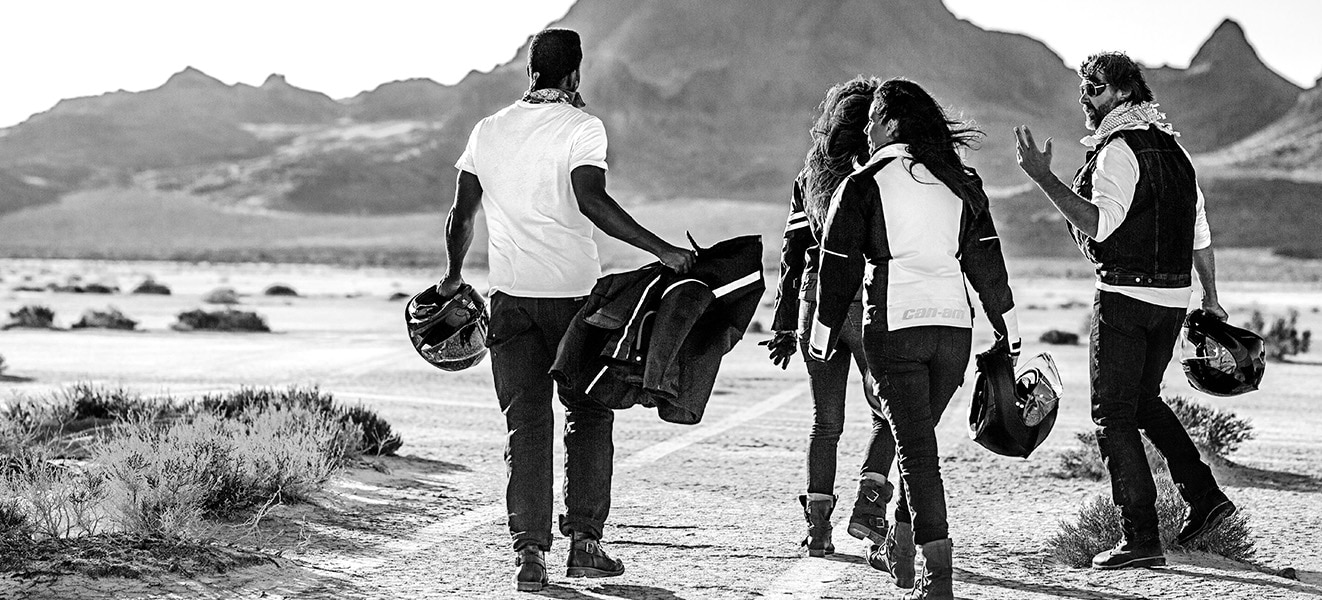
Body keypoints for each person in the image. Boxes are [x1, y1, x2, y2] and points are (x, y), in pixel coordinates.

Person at [439, 28, 696, 592]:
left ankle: (529, 555)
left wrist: (455, 277)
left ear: (529, 73)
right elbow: (592, 200)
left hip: (509, 302)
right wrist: (662, 250)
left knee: (525, 424)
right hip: (577, 305)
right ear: (575, 75)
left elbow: (461, 216)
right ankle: (585, 545)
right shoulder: (583, 127)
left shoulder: (488, 131)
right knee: (588, 416)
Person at [1014, 51, 1236, 570]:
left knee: (1111, 413)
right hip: (1171, 299)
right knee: (1142, 402)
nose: (1084, 98)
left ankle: (1140, 537)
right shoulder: (1176, 151)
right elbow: (1200, 234)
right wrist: (1210, 296)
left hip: (1126, 298)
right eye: (1083, 88)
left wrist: (1042, 178)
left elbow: (1101, 225)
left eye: (1092, 87)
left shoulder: (1119, 150)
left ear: (1120, 90)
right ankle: (1205, 499)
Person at [808, 78, 1020, 600]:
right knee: (914, 442)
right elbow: (988, 266)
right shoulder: (960, 182)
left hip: (896, 331)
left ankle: (939, 580)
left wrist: (819, 334)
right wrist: (1008, 331)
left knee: (918, 454)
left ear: (888, 123)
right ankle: (904, 554)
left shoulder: (860, 184)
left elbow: (837, 268)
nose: (867, 130)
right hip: (954, 333)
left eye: (873, 120)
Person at [763, 76, 897, 558]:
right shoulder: (881, 174)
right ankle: (868, 508)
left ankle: (818, 532)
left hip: (814, 303)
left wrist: (781, 324)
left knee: (826, 422)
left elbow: (792, 252)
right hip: (863, 300)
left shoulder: (810, 176)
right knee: (889, 411)